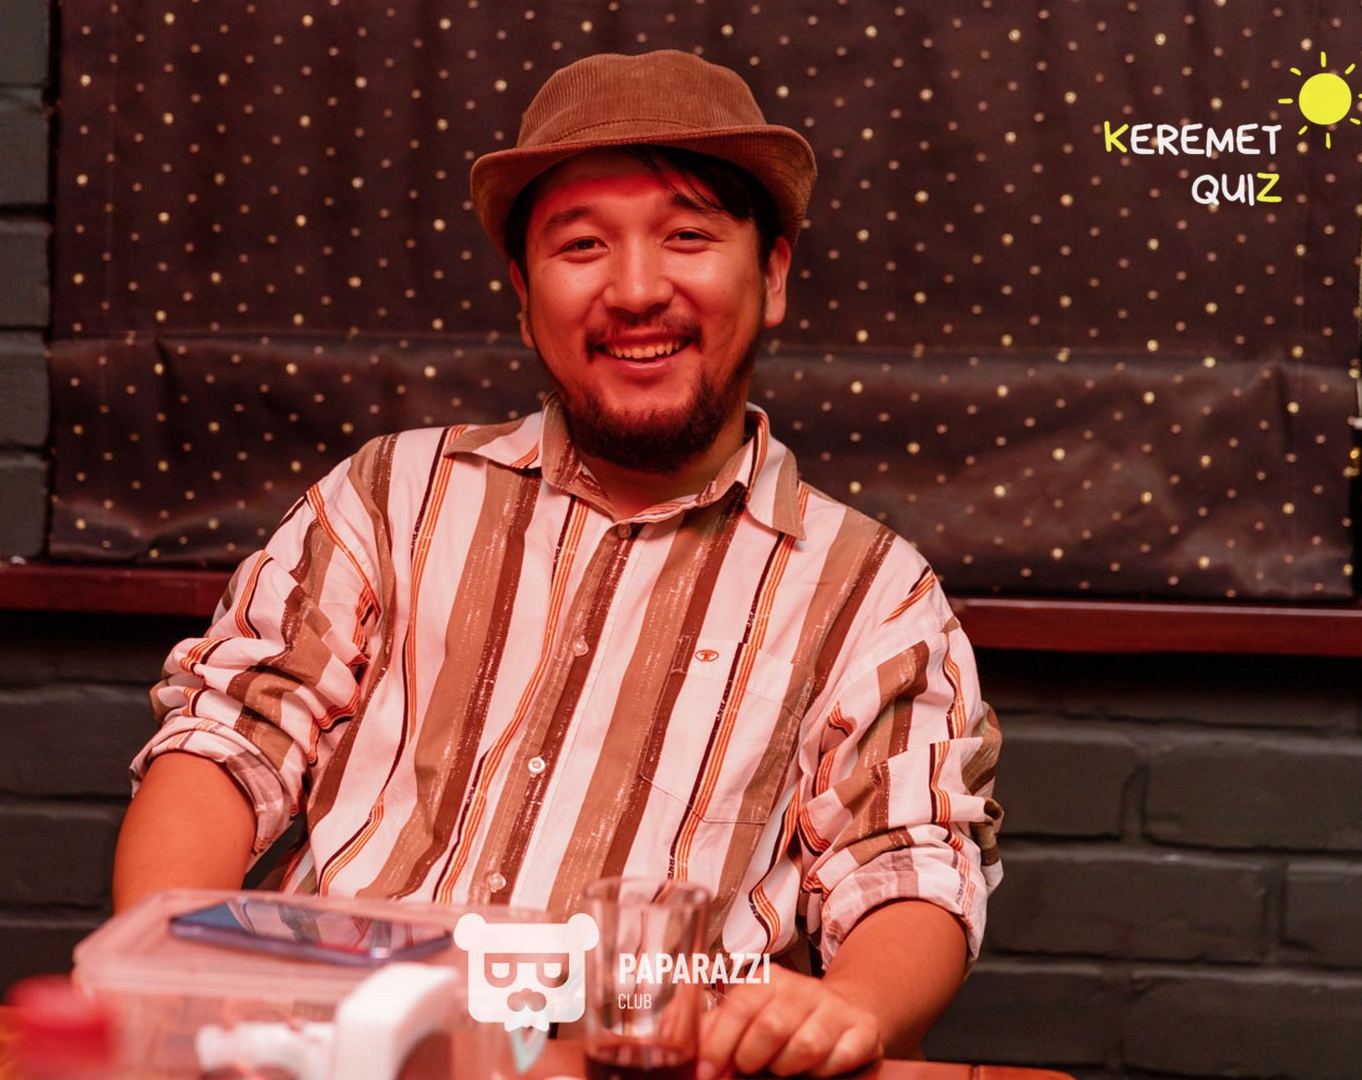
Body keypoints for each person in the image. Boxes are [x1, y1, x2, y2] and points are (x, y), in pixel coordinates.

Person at [113, 49, 1002, 1078]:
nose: (636, 290)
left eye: (686, 236)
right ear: (523, 294)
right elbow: (227, 738)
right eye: (581, 245)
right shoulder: (386, 496)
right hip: (342, 1049)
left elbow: (908, 864)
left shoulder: (875, 595)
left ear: (770, 275)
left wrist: (845, 1011)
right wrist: (168, 974)